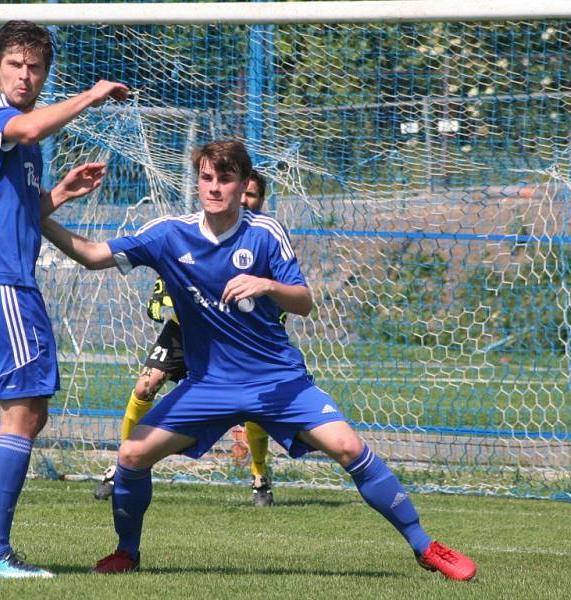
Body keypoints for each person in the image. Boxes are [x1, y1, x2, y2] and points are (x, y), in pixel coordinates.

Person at [41, 140, 477, 581]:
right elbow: (93, 256)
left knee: (349, 448)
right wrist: (40, 216)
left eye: (225, 179)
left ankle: (425, 546)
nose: (214, 188)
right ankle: (126, 552)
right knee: (132, 454)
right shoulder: (170, 233)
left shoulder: (265, 232)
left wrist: (265, 285)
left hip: (276, 381)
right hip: (210, 385)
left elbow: (304, 302)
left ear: (243, 184)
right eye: (207, 178)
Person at [0, 20, 128, 579]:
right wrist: (91, 96)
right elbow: (31, 125)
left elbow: (17, 210)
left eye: (35, 67)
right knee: (24, 412)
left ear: (45, 72)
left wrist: (59, 193)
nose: (24, 75)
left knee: (23, 414)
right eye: (15, 64)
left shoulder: (25, 142)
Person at [94, 170, 278, 507]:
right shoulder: (197, 229)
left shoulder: (264, 239)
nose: (247, 201)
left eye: (254, 196)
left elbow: (280, 296)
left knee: (254, 408)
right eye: (244, 194)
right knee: (144, 387)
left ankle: (259, 475)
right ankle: (122, 465)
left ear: (259, 200)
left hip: (239, 337)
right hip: (185, 329)